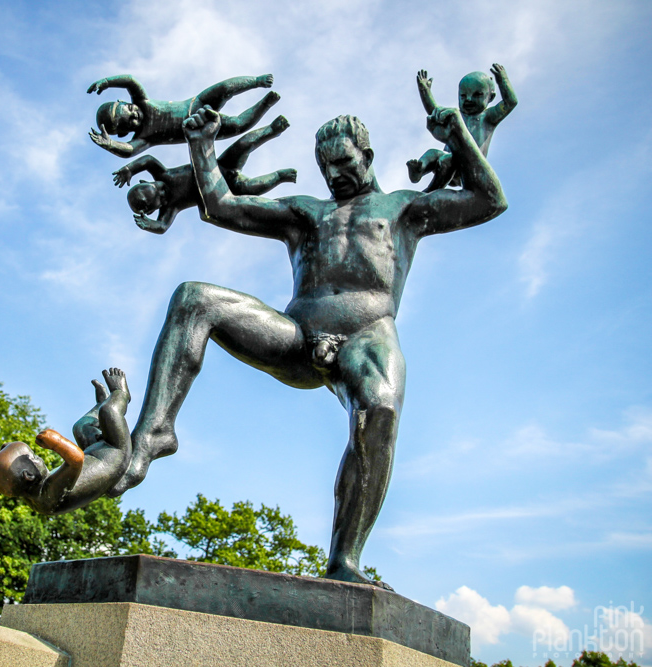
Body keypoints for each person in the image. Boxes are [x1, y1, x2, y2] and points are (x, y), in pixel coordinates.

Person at [109, 104, 508, 590]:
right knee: (193, 299)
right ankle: (152, 435)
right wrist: (202, 145)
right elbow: (222, 205)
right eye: (326, 167)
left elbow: (488, 199)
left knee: (378, 410)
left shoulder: (403, 209)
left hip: (368, 334)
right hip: (296, 336)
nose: (335, 175)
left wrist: (459, 134)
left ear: (367, 155)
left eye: (344, 163)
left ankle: (346, 560)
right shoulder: (306, 212)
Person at [113, 115, 296, 234]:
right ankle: (281, 176)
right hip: (224, 190)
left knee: (244, 145)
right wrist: (150, 224)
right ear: (157, 207)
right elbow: (162, 227)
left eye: (157, 188)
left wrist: (130, 169)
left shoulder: (163, 174)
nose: (163, 192)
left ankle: (273, 129)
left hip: (218, 164)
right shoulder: (171, 207)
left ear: (149, 181)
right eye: (160, 198)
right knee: (252, 188)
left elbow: (147, 160)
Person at [0, 368, 131, 515]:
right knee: (108, 412)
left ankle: (100, 404)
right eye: (34, 457)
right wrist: (57, 442)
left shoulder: (33, 492)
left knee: (80, 427)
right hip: (115, 453)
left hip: (95, 451)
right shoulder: (46, 495)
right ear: (28, 475)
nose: (39, 458)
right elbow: (76, 459)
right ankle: (121, 394)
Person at [87, 73, 280, 158]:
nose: (134, 114)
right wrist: (110, 145)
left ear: (125, 102)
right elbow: (129, 150)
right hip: (200, 127)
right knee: (239, 124)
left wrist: (107, 81)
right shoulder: (145, 137)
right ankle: (266, 103)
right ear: (123, 133)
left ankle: (256, 81)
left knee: (225, 88)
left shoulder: (143, 102)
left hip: (196, 103)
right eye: (130, 122)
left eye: (129, 108)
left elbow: (130, 81)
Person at [407, 64, 517, 191]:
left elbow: (510, 102)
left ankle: (430, 191)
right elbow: (434, 111)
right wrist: (425, 91)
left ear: (490, 97)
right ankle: (419, 170)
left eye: (477, 95)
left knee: (448, 159)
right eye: (463, 96)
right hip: (447, 162)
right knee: (433, 153)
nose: (468, 99)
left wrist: (503, 80)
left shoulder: (488, 117)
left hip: (470, 167)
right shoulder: (456, 115)